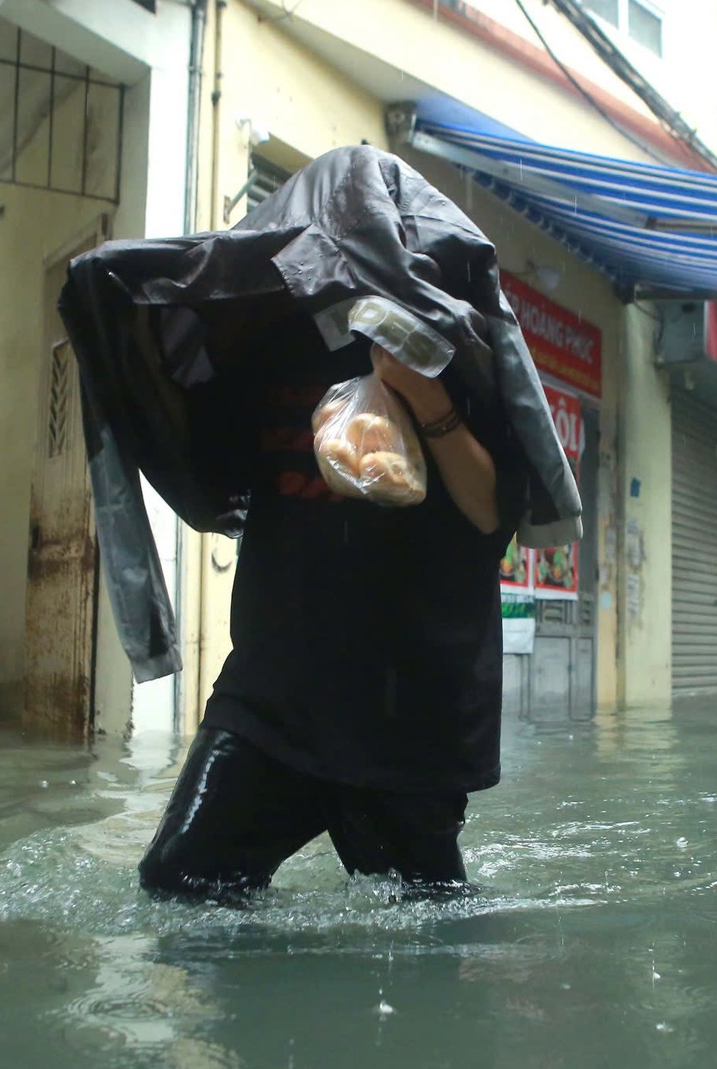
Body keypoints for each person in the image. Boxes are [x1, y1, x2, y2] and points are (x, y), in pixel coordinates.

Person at [136, 320, 525, 905]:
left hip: (408, 703)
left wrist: (423, 394)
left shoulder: (451, 331)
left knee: (421, 929)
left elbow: (492, 513)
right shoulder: (262, 330)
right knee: (179, 876)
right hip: (274, 687)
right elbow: (210, 483)